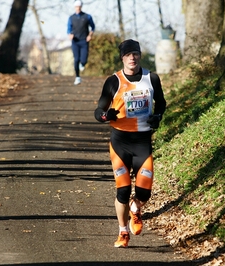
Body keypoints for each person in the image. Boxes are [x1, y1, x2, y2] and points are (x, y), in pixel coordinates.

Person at [94, 39, 166, 248]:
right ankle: (123, 232)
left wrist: (158, 116)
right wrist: (106, 116)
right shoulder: (113, 81)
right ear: (122, 58)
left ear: (140, 56)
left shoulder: (151, 78)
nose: (132, 58)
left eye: (135, 54)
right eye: (128, 55)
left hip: (143, 141)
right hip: (120, 142)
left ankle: (136, 208)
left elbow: (161, 102)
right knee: (123, 190)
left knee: (144, 193)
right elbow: (98, 111)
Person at [67, 0, 95, 85]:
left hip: (84, 41)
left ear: (81, 7)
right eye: (76, 7)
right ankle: (77, 77)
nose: (77, 8)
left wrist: (90, 35)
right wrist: (70, 35)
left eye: (79, 7)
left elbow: (93, 27)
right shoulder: (71, 18)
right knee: (76, 59)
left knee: (83, 59)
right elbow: (68, 29)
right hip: (75, 41)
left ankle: (82, 64)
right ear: (74, 7)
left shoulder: (87, 16)